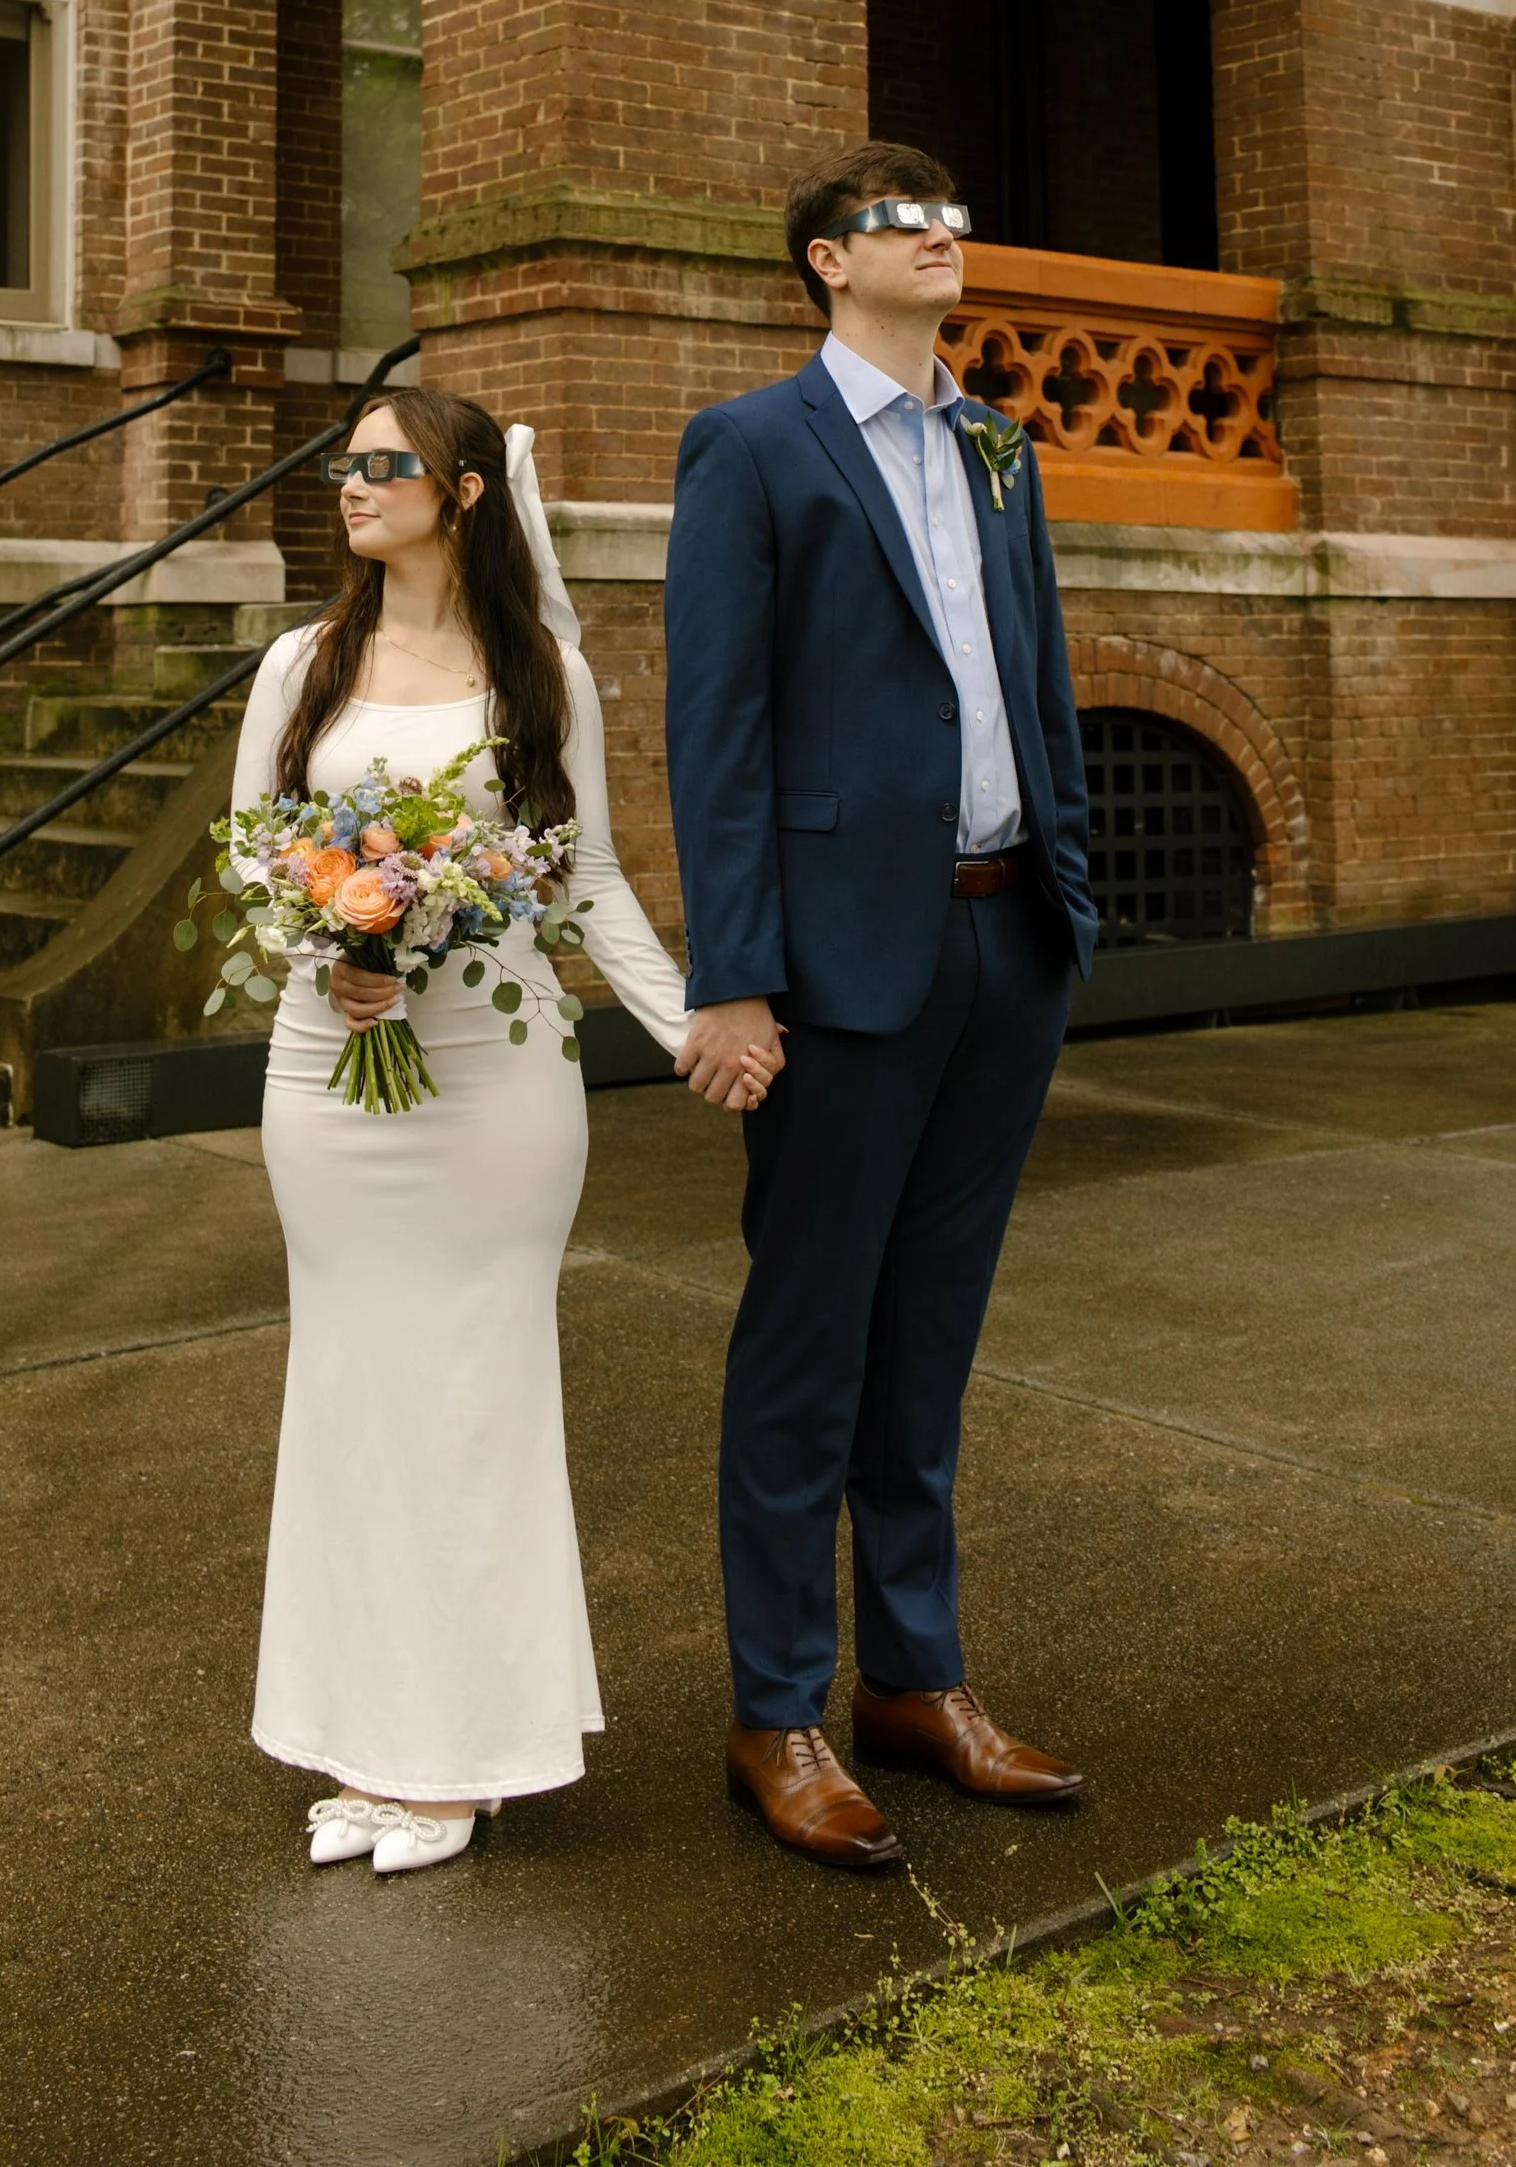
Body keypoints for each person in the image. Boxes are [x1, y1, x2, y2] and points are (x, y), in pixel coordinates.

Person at [237, 383, 748, 1877]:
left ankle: (459, 1757)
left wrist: (686, 1023)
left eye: (387, 464)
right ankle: (365, 1736)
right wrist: (320, 940)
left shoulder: (546, 677)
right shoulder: (302, 664)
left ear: (464, 494)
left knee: (474, 1394)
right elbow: (255, 854)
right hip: (327, 1079)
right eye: (345, 466)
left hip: (495, 1083)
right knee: (349, 1394)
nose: (355, 485)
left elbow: (584, 877)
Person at [663, 140, 1101, 1874]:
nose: (945, 237)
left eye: (956, 216)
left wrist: (1067, 900)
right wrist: (737, 975)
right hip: (839, 969)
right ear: (827, 266)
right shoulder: (753, 448)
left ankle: (917, 1686)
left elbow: (1040, 677)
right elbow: (722, 729)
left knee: (930, 1340)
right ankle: (776, 1708)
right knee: (806, 1344)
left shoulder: (1002, 446)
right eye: (908, 221)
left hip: (1007, 950)